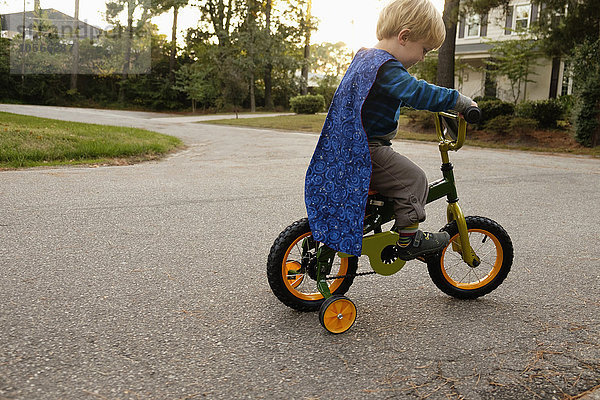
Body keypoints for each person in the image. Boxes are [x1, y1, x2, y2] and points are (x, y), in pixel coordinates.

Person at [305, 0, 476, 261]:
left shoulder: (366, 59)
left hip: (348, 147)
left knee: (398, 181)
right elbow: (415, 91)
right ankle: (409, 239)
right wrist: (458, 101)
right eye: (425, 49)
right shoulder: (385, 66)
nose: (422, 57)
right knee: (414, 180)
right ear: (404, 37)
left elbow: (400, 95)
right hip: (367, 149)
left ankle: (388, 228)